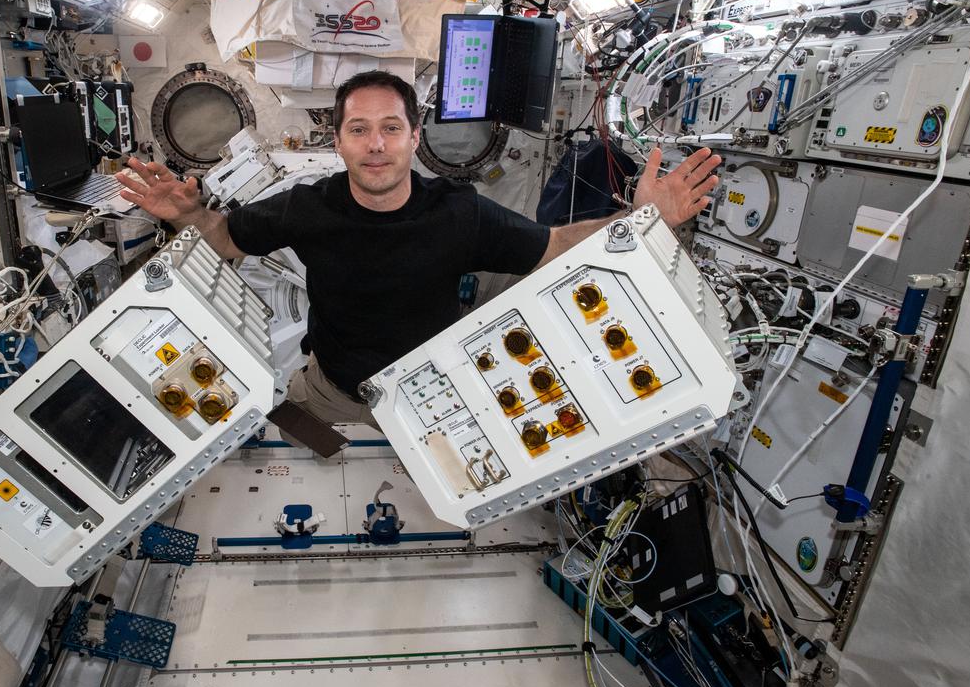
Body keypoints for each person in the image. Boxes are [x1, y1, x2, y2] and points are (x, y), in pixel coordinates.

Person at [117, 71, 719, 435]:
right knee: (257, 455)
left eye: (390, 128)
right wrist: (193, 214)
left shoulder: (460, 212)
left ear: (412, 136)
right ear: (339, 139)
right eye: (358, 129)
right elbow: (226, 240)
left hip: (429, 393)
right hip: (327, 389)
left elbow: (556, 246)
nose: (375, 145)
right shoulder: (306, 206)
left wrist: (642, 220)